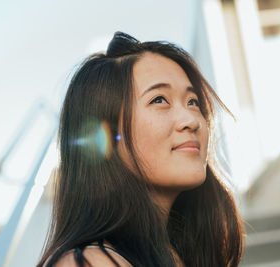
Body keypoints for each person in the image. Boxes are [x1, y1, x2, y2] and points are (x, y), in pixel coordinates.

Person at [37, 31, 244, 267]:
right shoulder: (90, 263)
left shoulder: (179, 254)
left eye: (193, 102)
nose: (191, 120)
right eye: (159, 100)